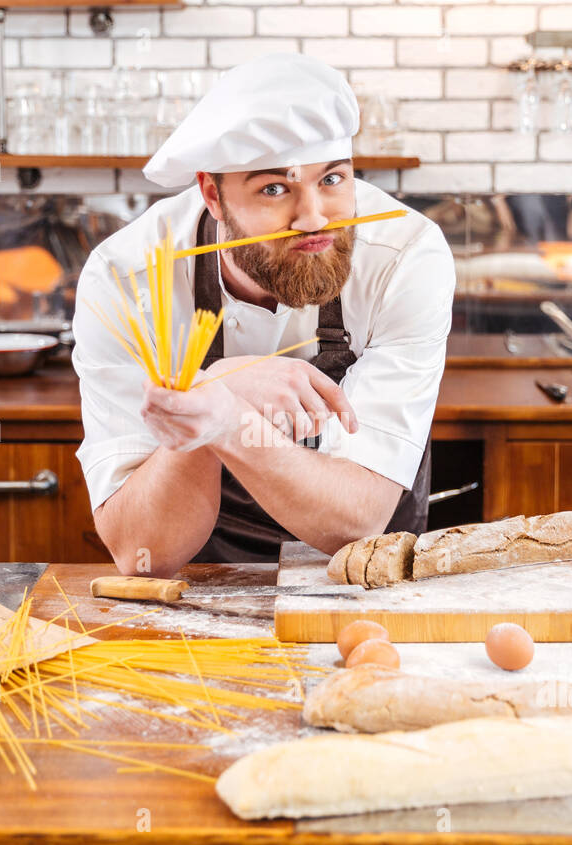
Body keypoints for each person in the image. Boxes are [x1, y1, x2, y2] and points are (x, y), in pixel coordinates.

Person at [71, 53, 455, 576]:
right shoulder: (128, 278)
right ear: (212, 193)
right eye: (274, 189)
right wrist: (209, 403)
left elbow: (357, 519)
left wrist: (226, 410)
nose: (314, 217)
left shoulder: (406, 255)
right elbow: (143, 552)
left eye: (333, 180)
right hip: (203, 595)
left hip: (367, 584)